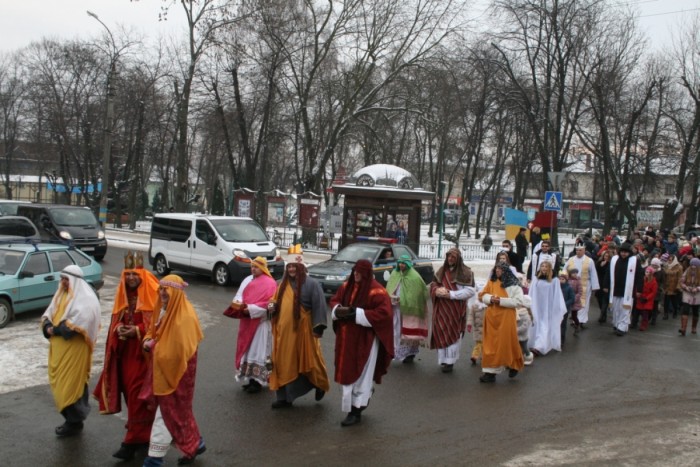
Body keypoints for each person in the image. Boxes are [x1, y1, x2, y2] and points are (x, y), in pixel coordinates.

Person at [93, 251, 160, 460]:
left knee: (138, 396)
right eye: (127, 274)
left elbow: (155, 325)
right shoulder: (123, 296)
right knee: (131, 397)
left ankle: (131, 441)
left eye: (135, 274)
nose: (131, 278)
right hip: (125, 355)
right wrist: (120, 328)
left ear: (142, 276)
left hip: (144, 357)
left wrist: (137, 330)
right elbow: (116, 320)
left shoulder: (152, 294)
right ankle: (142, 438)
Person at [141, 275, 205, 467]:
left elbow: (177, 352)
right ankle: (196, 442)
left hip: (178, 372)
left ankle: (154, 458)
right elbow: (154, 331)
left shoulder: (183, 316)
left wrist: (152, 346)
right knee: (179, 411)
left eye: (166, 290)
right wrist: (147, 340)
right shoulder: (164, 311)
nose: (162, 293)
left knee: (167, 413)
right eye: (160, 289)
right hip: (164, 369)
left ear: (175, 292)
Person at [330, 259, 393, 427]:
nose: (356, 274)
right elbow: (335, 300)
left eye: (360, 272)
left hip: (365, 340)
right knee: (346, 372)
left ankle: (356, 410)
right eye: (355, 271)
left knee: (362, 375)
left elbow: (384, 314)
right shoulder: (346, 286)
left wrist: (357, 314)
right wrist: (338, 310)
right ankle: (350, 406)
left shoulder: (377, 291)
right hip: (345, 340)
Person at [41, 265, 101, 437]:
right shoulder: (62, 295)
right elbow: (48, 315)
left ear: (74, 281)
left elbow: (81, 322)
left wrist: (56, 330)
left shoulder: (86, 299)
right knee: (60, 383)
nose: (63, 283)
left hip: (75, 351)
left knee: (72, 384)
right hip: (59, 350)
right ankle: (70, 418)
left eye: (66, 280)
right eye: (62, 279)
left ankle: (74, 421)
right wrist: (47, 327)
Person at [267, 257, 330, 408]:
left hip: (304, 332)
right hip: (283, 334)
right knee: (283, 363)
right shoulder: (281, 285)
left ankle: (319, 384)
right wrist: (272, 307)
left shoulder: (312, 284)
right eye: (289, 267)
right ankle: (284, 398)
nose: (291, 270)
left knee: (311, 361)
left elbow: (319, 305)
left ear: (301, 268)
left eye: (294, 267)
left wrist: (318, 328)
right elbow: (274, 302)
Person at [227, 257, 278, 393]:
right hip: (247, 321)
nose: (253, 269)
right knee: (248, 351)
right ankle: (250, 380)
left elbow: (269, 304)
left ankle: (258, 382)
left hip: (260, 323)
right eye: (252, 266)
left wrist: (250, 309)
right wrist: (239, 305)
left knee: (259, 352)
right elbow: (239, 296)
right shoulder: (247, 280)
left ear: (262, 268)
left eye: (256, 267)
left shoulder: (270, 283)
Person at [430, 248, 476, 373]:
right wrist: (436, 290)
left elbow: (471, 291)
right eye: (448, 256)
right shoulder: (442, 270)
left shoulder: (466, 272)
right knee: (441, 331)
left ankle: (450, 362)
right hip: (441, 308)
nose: (450, 259)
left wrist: (451, 294)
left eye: (453, 257)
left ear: (458, 259)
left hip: (455, 309)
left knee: (453, 333)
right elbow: (433, 284)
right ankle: (443, 360)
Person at [478, 262, 525, 382]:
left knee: (507, 343)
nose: (497, 271)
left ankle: (513, 364)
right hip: (491, 319)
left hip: (506, 318)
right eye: (496, 269)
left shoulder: (514, 285)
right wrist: (490, 299)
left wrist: (500, 300)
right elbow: (482, 295)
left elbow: (518, 301)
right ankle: (490, 373)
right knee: (490, 345)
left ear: (505, 271)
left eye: (500, 269)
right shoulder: (492, 282)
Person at [386, 254, 430, 364]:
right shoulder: (395, 274)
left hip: (409, 311)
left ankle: (410, 353)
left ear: (408, 264)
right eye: (400, 263)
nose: (401, 265)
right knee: (395, 331)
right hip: (396, 308)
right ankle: (394, 352)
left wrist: (405, 300)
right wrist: (391, 297)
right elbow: (390, 288)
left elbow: (419, 294)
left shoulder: (414, 277)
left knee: (409, 333)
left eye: (403, 263)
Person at [528, 261, 567, 355]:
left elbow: (557, 294)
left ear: (549, 268)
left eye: (546, 266)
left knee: (545, 326)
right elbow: (531, 292)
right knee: (536, 324)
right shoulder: (536, 279)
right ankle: (534, 343)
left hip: (548, 307)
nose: (544, 268)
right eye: (542, 266)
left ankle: (539, 346)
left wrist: (556, 307)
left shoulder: (554, 280)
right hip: (537, 306)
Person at [604, 243, 643, 336]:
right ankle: (616, 324)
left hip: (628, 291)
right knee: (615, 308)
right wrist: (605, 285)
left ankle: (622, 327)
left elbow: (640, 275)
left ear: (629, 253)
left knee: (625, 309)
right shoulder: (614, 259)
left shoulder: (634, 261)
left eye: (625, 252)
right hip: (615, 289)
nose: (623, 254)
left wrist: (639, 289)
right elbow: (608, 273)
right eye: (622, 252)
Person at [563, 244, 600, 328]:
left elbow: (593, 273)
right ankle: (575, 319)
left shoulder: (589, 261)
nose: (578, 252)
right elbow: (564, 270)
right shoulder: (571, 260)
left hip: (585, 284)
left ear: (584, 250)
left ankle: (581, 320)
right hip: (572, 284)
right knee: (574, 302)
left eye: (580, 250)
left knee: (584, 302)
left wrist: (595, 286)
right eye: (577, 250)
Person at [679, 257, 700, 336]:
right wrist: (686, 287)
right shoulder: (687, 271)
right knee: (685, 310)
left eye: (695, 265)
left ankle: (694, 327)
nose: (693, 267)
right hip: (687, 292)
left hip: (697, 294)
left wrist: (697, 288)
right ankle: (683, 328)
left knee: (695, 311)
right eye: (692, 265)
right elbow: (681, 282)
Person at [661, 252, 683, 320]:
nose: (669, 261)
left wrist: (678, 286)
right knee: (666, 301)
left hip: (674, 286)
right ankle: (665, 314)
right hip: (667, 286)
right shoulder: (666, 266)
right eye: (668, 260)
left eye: (670, 260)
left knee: (674, 301)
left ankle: (675, 312)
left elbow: (680, 278)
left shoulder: (679, 267)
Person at [636, 267, 658, 332]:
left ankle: (644, 325)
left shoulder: (654, 282)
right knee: (638, 311)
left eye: (648, 272)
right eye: (646, 272)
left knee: (645, 313)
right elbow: (638, 287)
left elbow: (653, 292)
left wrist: (647, 298)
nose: (646, 273)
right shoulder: (642, 279)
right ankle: (634, 323)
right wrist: (637, 293)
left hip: (647, 299)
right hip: (641, 298)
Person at [596, 250, 613, 323]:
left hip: (607, 284)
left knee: (605, 300)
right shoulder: (599, 263)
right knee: (599, 299)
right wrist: (601, 265)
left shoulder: (611, 264)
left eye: (608, 256)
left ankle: (602, 315)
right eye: (605, 256)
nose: (607, 257)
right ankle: (603, 313)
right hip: (600, 283)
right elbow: (597, 270)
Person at [559, 270, 575, 346]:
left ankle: (562, 338)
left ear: (566, 280)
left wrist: (564, 304)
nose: (561, 281)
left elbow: (572, 299)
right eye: (560, 279)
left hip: (564, 309)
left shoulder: (569, 288)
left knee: (563, 324)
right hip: (557, 309)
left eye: (563, 279)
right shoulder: (557, 287)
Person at [566, 268, 583, 336]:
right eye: (573, 273)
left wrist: (574, 298)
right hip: (568, 300)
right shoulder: (567, 280)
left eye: (576, 273)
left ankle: (577, 325)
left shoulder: (578, 281)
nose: (575, 274)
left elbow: (580, 292)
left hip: (575, 301)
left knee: (574, 315)